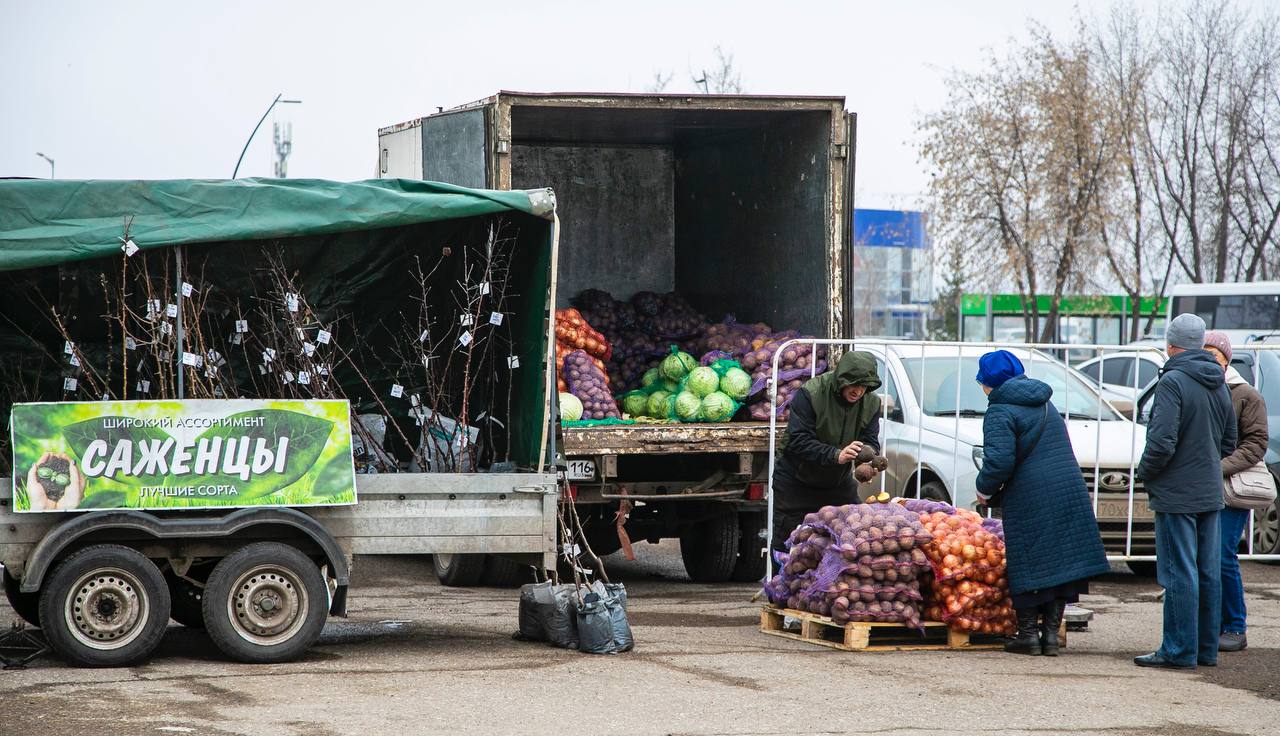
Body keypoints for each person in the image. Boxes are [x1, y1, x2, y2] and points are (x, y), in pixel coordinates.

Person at [973, 350, 1110, 656]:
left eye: (982, 381)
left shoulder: (1000, 410)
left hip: (1030, 493)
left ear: (989, 382)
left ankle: (1027, 635)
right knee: (1058, 563)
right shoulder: (1044, 402)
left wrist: (984, 489)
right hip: (1067, 488)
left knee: (1028, 560)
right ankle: (1050, 636)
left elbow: (999, 461)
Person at [1134, 313, 1237, 670]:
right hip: (1209, 490)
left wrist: (1146, 472)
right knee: (1207, 570)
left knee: (1179, 571)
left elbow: (1161, 441)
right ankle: (1205, 649)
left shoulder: (1173, 380)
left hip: (1176, 493)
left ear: (1171, 344)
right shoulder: (1218, 381)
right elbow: (1229, 441)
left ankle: (1178, 650)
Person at [771, 351, 885, 553]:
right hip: (796, 481)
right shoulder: (811, 393)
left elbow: (870, 440)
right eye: (855, 384)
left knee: (854, 537)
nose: (859, 391)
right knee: (789, 545)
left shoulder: (872, 403)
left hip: (838, 483)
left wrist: (866, 462)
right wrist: (836, 455)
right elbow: (799, 440)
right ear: (842, 380)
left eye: (865, 386)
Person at [1203, 330, 1268, 653]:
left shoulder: (1246, 395)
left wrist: (1220, 467)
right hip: (1201, 486)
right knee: (1206, 556)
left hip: (1231, 488)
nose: (1209, 360)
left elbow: (1256, 444)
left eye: (1214, 355)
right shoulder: (1199, 389)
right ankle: (1211, 625)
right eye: (1204, 353)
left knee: (1222, 554)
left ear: (1227, 359)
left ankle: (1234, 626)